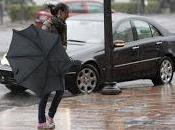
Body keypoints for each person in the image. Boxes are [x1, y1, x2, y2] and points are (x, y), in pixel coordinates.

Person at [37, 3, 69, 129]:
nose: (68, 15)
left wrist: (62, 49)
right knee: (46, 92)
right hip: (48, 63)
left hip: (59, 62)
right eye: (67, 12)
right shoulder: (47, 24)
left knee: (60, 90)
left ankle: (50, 115)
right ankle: (41, 122)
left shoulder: (63, 25)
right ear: (60, 12)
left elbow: (65, 43)